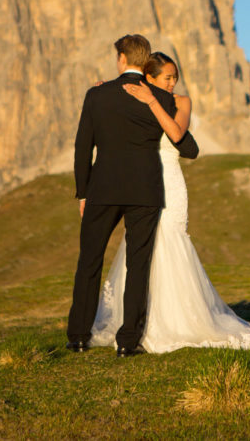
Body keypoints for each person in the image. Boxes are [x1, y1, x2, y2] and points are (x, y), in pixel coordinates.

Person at [90, 52, 250, 352]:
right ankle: (137, 321)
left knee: (171, 241)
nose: (173, 83)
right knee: (140, 247)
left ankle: (176, 319)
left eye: (175, 77)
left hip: (170, 183)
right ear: (149, 78)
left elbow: (176, 133)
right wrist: (105, 88)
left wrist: (150, 101)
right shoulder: (135, 99)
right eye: (167, 77)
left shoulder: (181, 102)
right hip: (141, 181)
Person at [66, 35, 198, 358]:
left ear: (122, 58)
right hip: (145, 190)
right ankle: (128, 341)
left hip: (103, 189)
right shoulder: (163, 99)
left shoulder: (97, 95)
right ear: (146, 61)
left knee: (89, 261)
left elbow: (83, 147)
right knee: (138, 266)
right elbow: (186, 143)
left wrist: (83, 192)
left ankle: (79, 336)